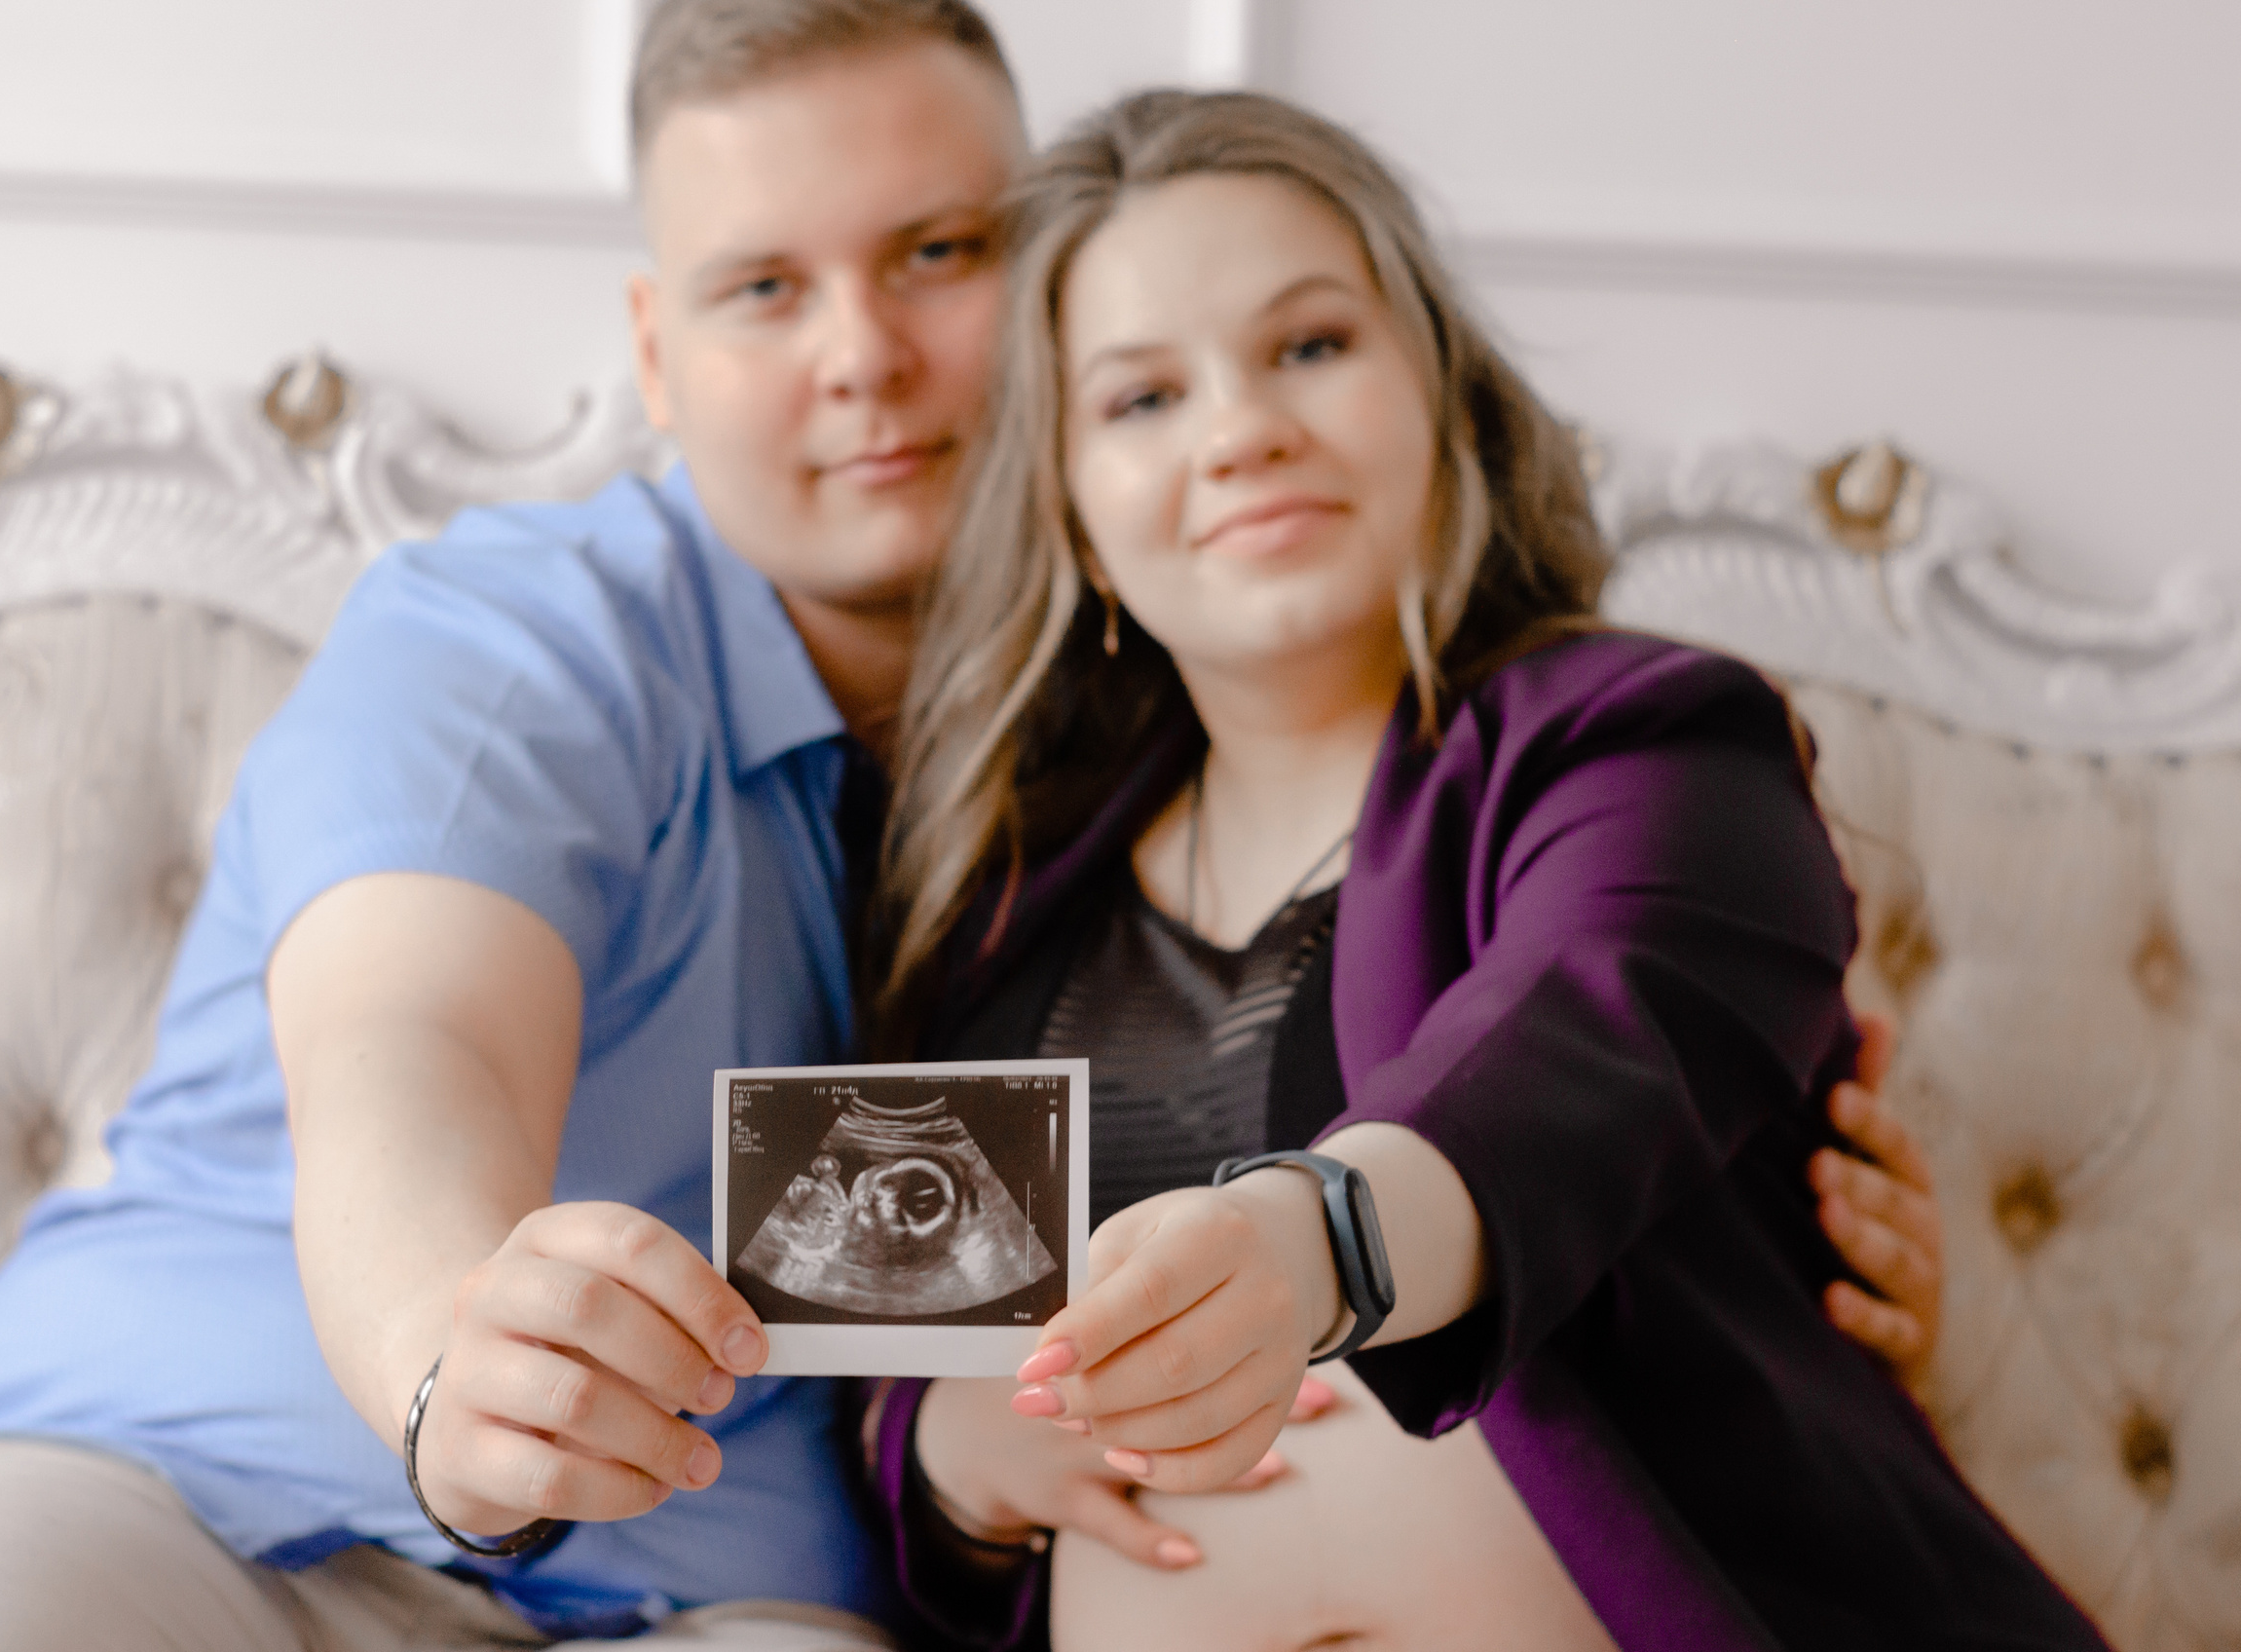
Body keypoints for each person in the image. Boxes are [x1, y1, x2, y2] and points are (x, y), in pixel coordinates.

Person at [0, 7, 1940, 1649]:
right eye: (761, 288)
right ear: (656, 344)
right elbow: (410, 1042)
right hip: (190, 1495)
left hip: (730, 1606)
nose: (866, 359)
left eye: (937, 250)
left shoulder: (1069, 811)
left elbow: (1584, 1033)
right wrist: (449, 1353)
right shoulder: (543, 644)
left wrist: (1716, 1231)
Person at [859, 89, 2095, 1651]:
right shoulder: (1002, 903)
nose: (1244, 429)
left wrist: (1311, 1244)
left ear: (1440, 396)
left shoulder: (1648, 742)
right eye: (1142, 399)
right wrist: (953, 1462)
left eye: (1311, 345)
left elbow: (1596, 1039)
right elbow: (891, 1344)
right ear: (1078, 525)